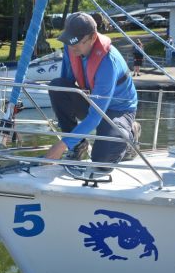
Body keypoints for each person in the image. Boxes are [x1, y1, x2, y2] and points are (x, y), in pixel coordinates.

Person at [46, 12, 140, 166]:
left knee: (101, 162)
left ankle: (130, 134)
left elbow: (96, 116)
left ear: (93, 37)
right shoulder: (71, 48)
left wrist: (61, 146)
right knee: (58, 87)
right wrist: (68, 136)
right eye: (69, 41)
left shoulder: (108, 62)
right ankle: (78, 145)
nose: (71, 46)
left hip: (118, 110)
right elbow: (66, 88)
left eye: (76, 42)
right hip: (94, 102)